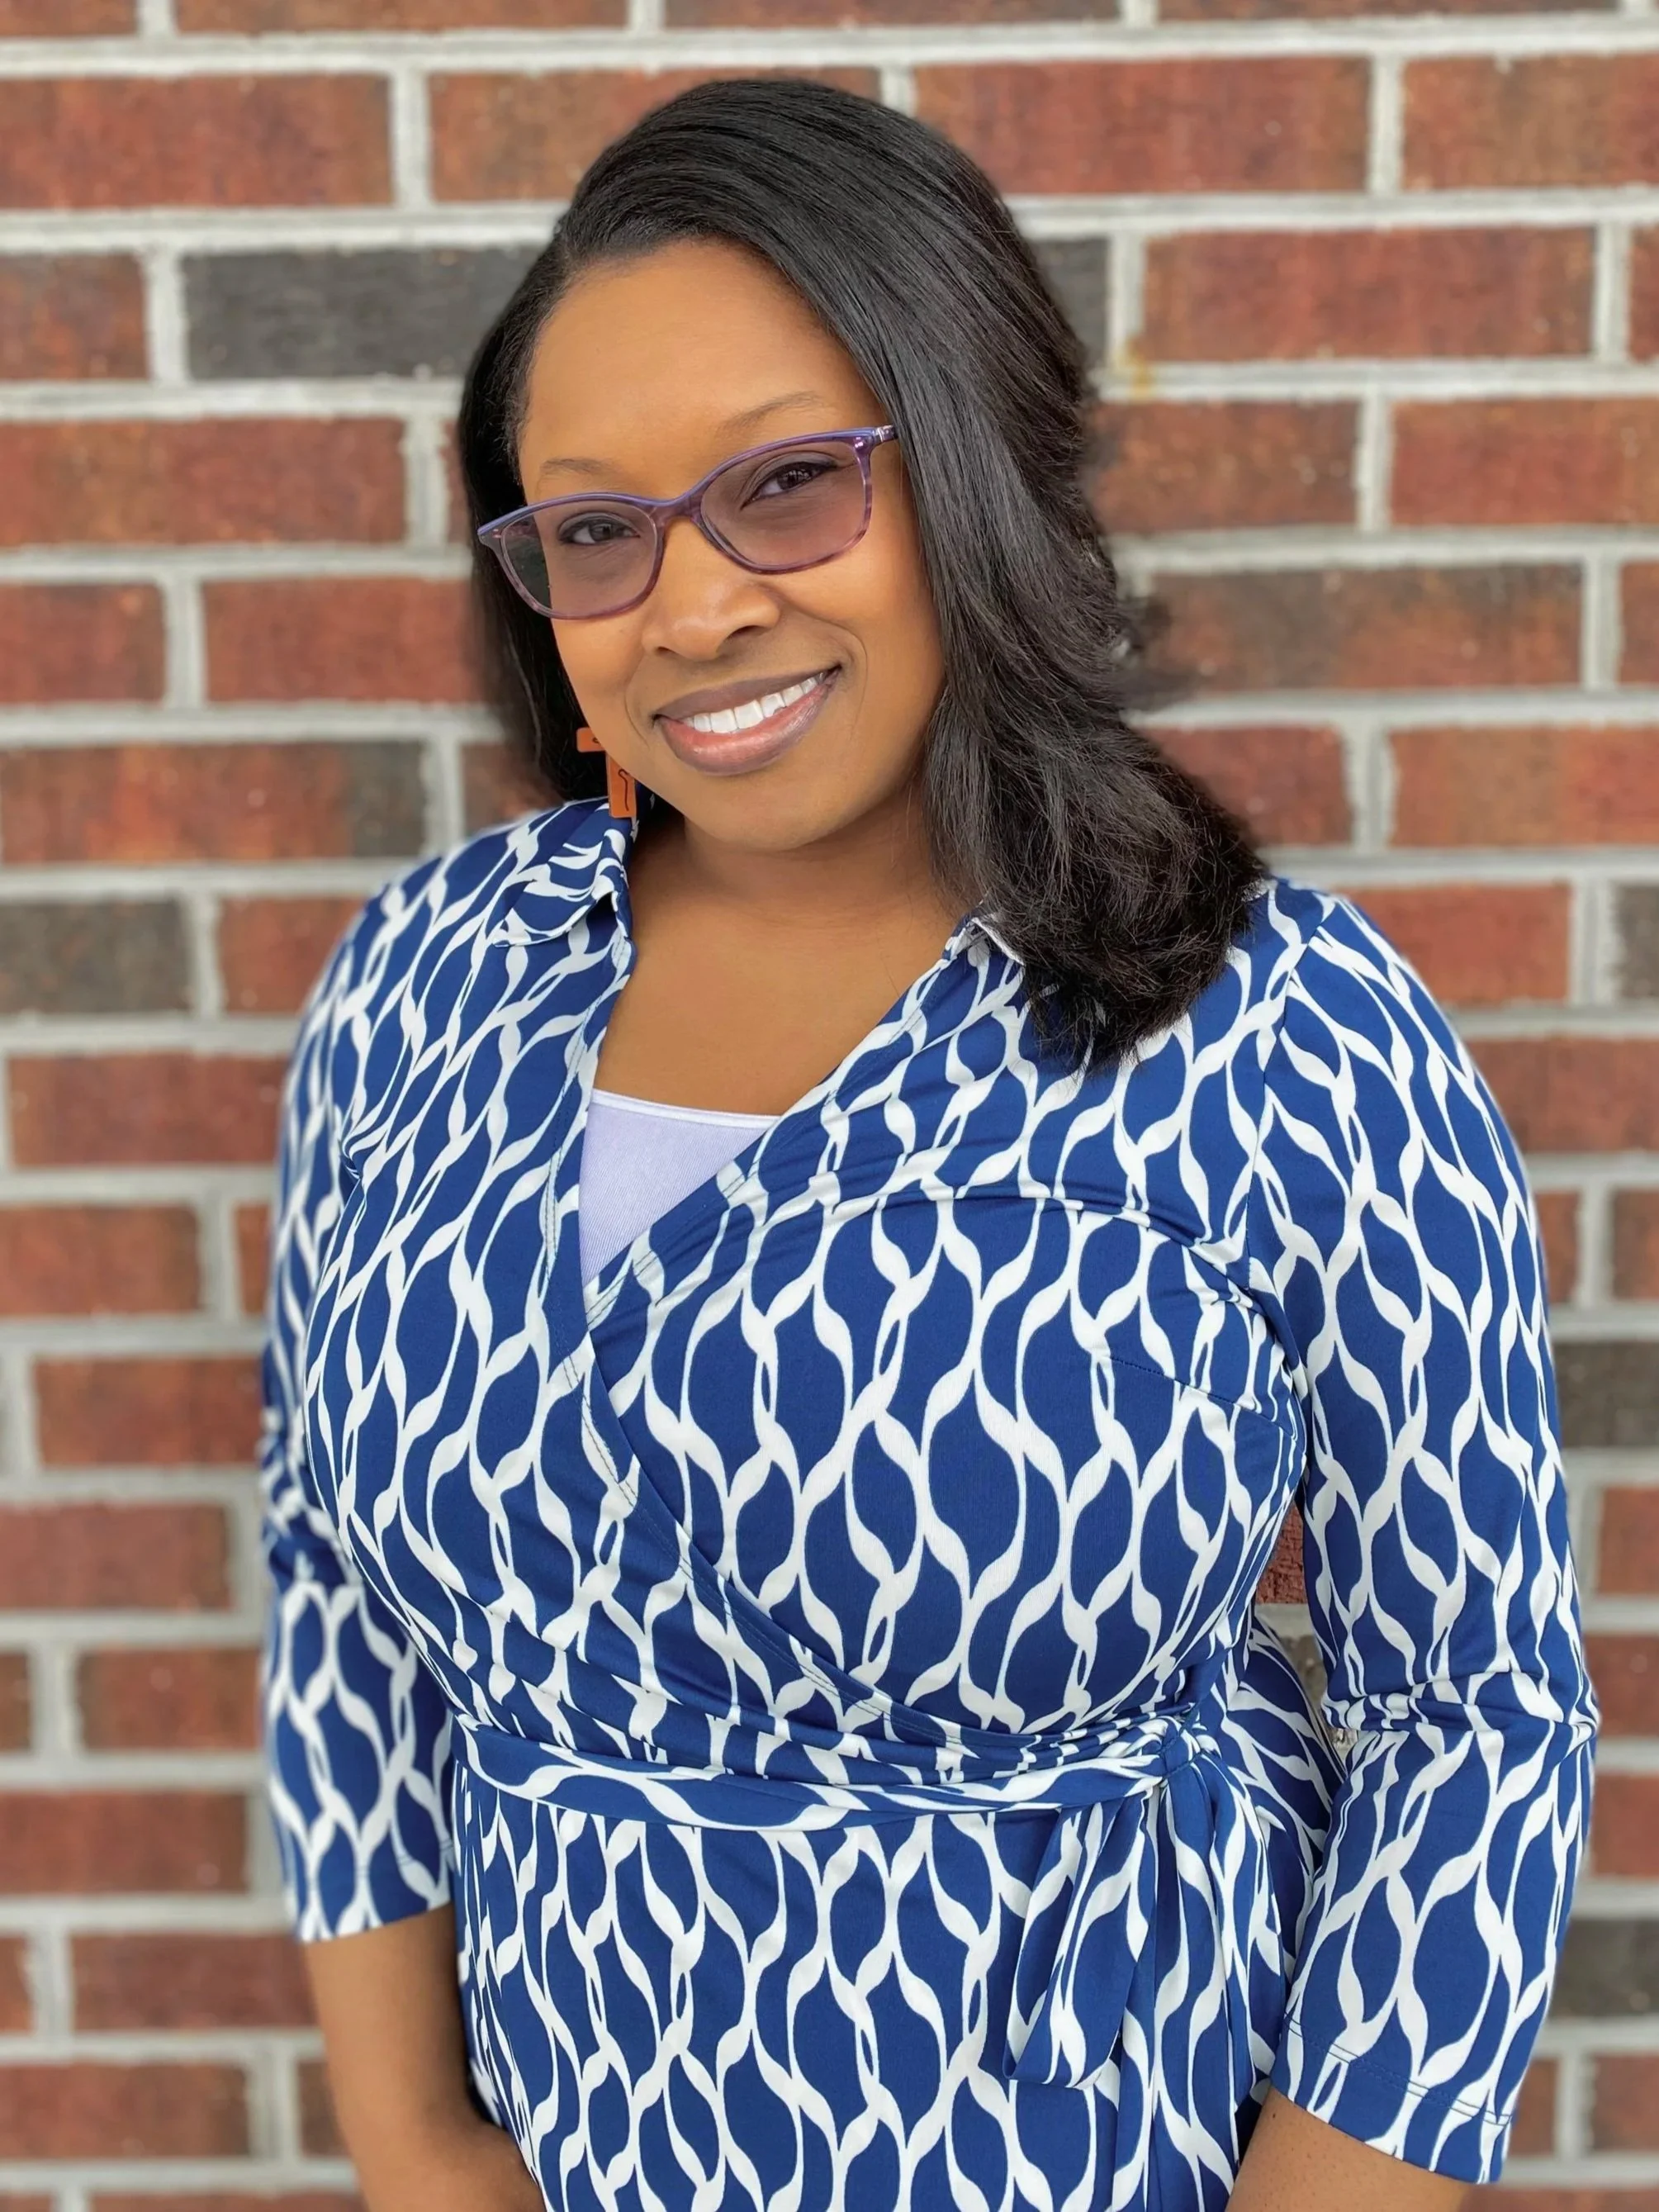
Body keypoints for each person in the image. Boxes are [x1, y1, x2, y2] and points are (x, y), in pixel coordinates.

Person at [258, 75, 1596, 2212]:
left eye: (789, 484)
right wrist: (421, 2144)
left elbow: (1476, 1718)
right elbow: (339, 1589)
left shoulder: (1285, 1032)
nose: (689, 609)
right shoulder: (426, 988)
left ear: (968, 465)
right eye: (596, 526)